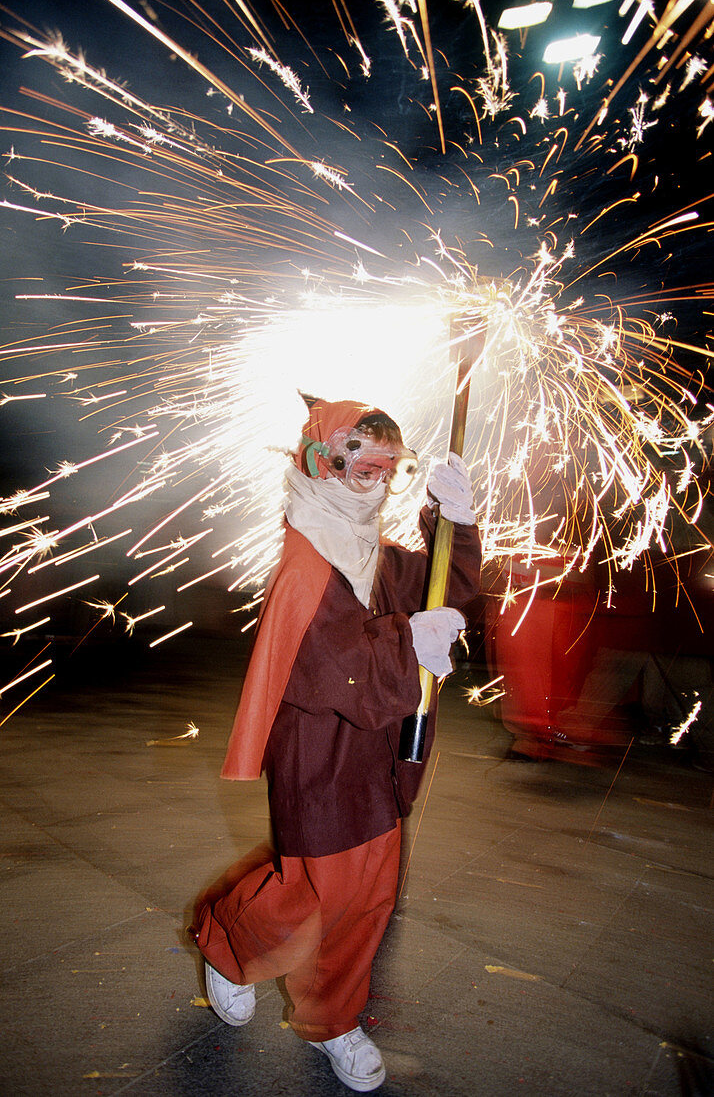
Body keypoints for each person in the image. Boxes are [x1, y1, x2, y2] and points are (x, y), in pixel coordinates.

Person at [190, 395, 481, 1091]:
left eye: (387, 470)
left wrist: (457, 527)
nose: (373, 483)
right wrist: (409, 639)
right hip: (319, 757)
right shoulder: (304, 560)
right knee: (313, 895)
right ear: (321, 462)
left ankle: (333, 1019)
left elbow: (449, 591)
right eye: (361, 467)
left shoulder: (371, 549)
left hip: (378, 757)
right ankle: (228, 943)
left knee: (370, 897)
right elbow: (329, 668)